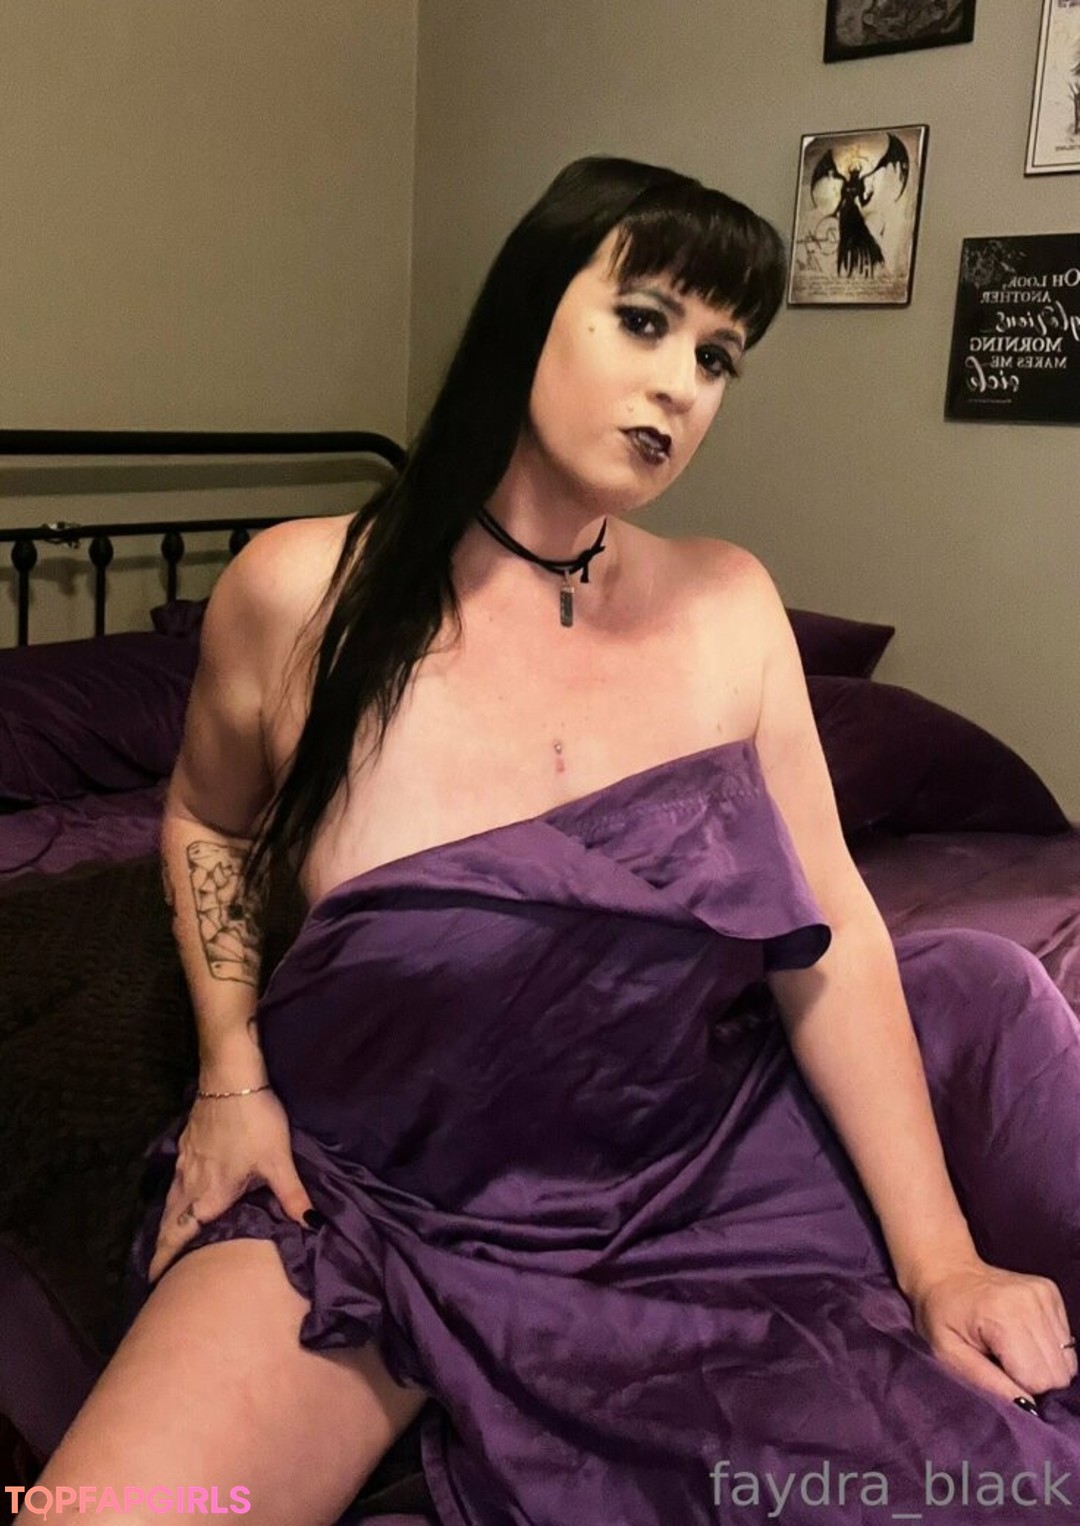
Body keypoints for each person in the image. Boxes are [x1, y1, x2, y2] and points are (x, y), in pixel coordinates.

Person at [22, 156, 1080, 1526]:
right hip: (366, 1192)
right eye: (644, 320)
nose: (683, 386)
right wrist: (231, 1073)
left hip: (687, 1176)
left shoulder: (732, 606)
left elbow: (833, 933)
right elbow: (209, 823)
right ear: (527, 306)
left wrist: (940, 1259)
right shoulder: (299, 592)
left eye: (718, 357)